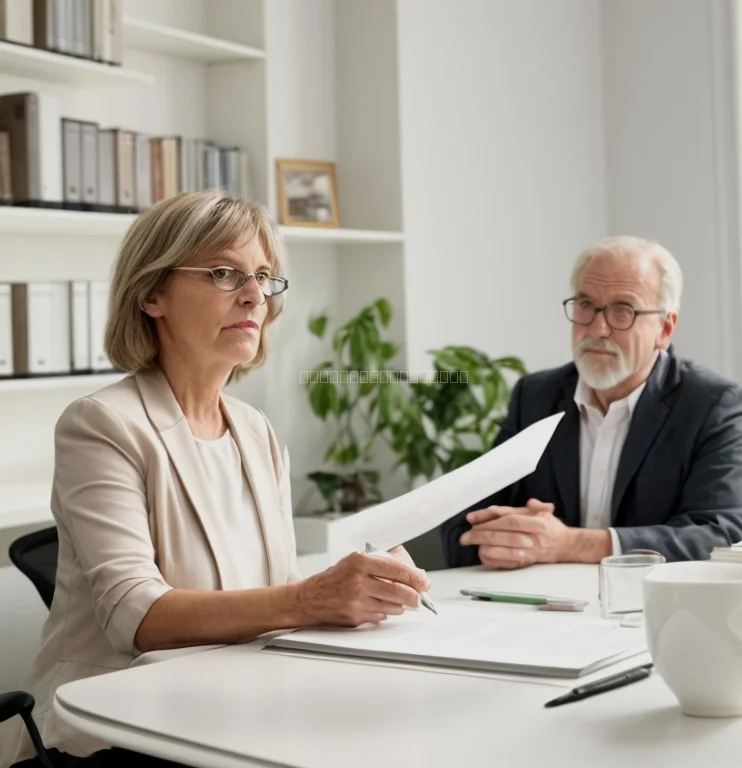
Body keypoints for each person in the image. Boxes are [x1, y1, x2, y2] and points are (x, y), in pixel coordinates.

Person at [0, 191, 430, 768]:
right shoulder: (101, 424)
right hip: (115, 735)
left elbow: (281, 593)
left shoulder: (255, 431)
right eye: (225, 273)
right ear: (152, 293)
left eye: (263, 276)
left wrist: (360, 593)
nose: (254, 294)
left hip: (236, 713)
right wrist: (311, 599)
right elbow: (139, 617)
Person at [442, 236, 742, 569]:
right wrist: (510, 539)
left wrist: (570, 544)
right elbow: (464, 524)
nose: (598, 327)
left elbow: (726, 536)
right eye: (585, 304)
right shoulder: (535, 397)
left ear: (665, 328)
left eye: (623, 310)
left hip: (654, 612)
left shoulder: (714, 406)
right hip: (545, 608)